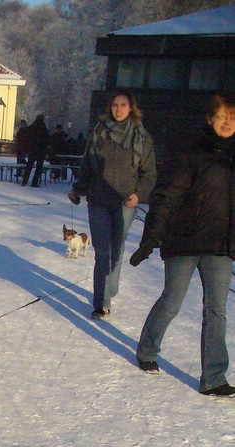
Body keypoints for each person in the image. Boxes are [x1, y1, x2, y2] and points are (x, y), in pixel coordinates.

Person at [133, 93, 235, 396]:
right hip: (184, 241)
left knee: (216, 310)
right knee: (172, 301)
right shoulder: (191, 151)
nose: (229, 122)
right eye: (223, 116)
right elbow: (168, 194)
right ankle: (147, 349)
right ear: (209, 119)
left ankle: (214, 378)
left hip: (219, 246)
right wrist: (152, 235)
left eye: (233, 117)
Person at [68, 89, 156, 319]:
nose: (118, 109)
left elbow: (149, 174)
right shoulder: (99, 133)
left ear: (131, 108)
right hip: (98, 200)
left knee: (116, 250)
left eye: (123, 105)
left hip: (125, 202)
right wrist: (78, 189)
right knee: (103, 252)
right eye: (115, 105)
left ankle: (109, 287)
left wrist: (139, 194)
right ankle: (101, 302)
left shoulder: (141, 137)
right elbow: (87, 165)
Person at [20, 114, 50, 188]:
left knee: (29, 166)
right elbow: (47, 140)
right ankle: (34, 182)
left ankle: (24, 181)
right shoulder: (44, 129)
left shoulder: (31, 127)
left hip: (32, 150)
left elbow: (26, 138)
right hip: (41, 151)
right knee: (39, 167)